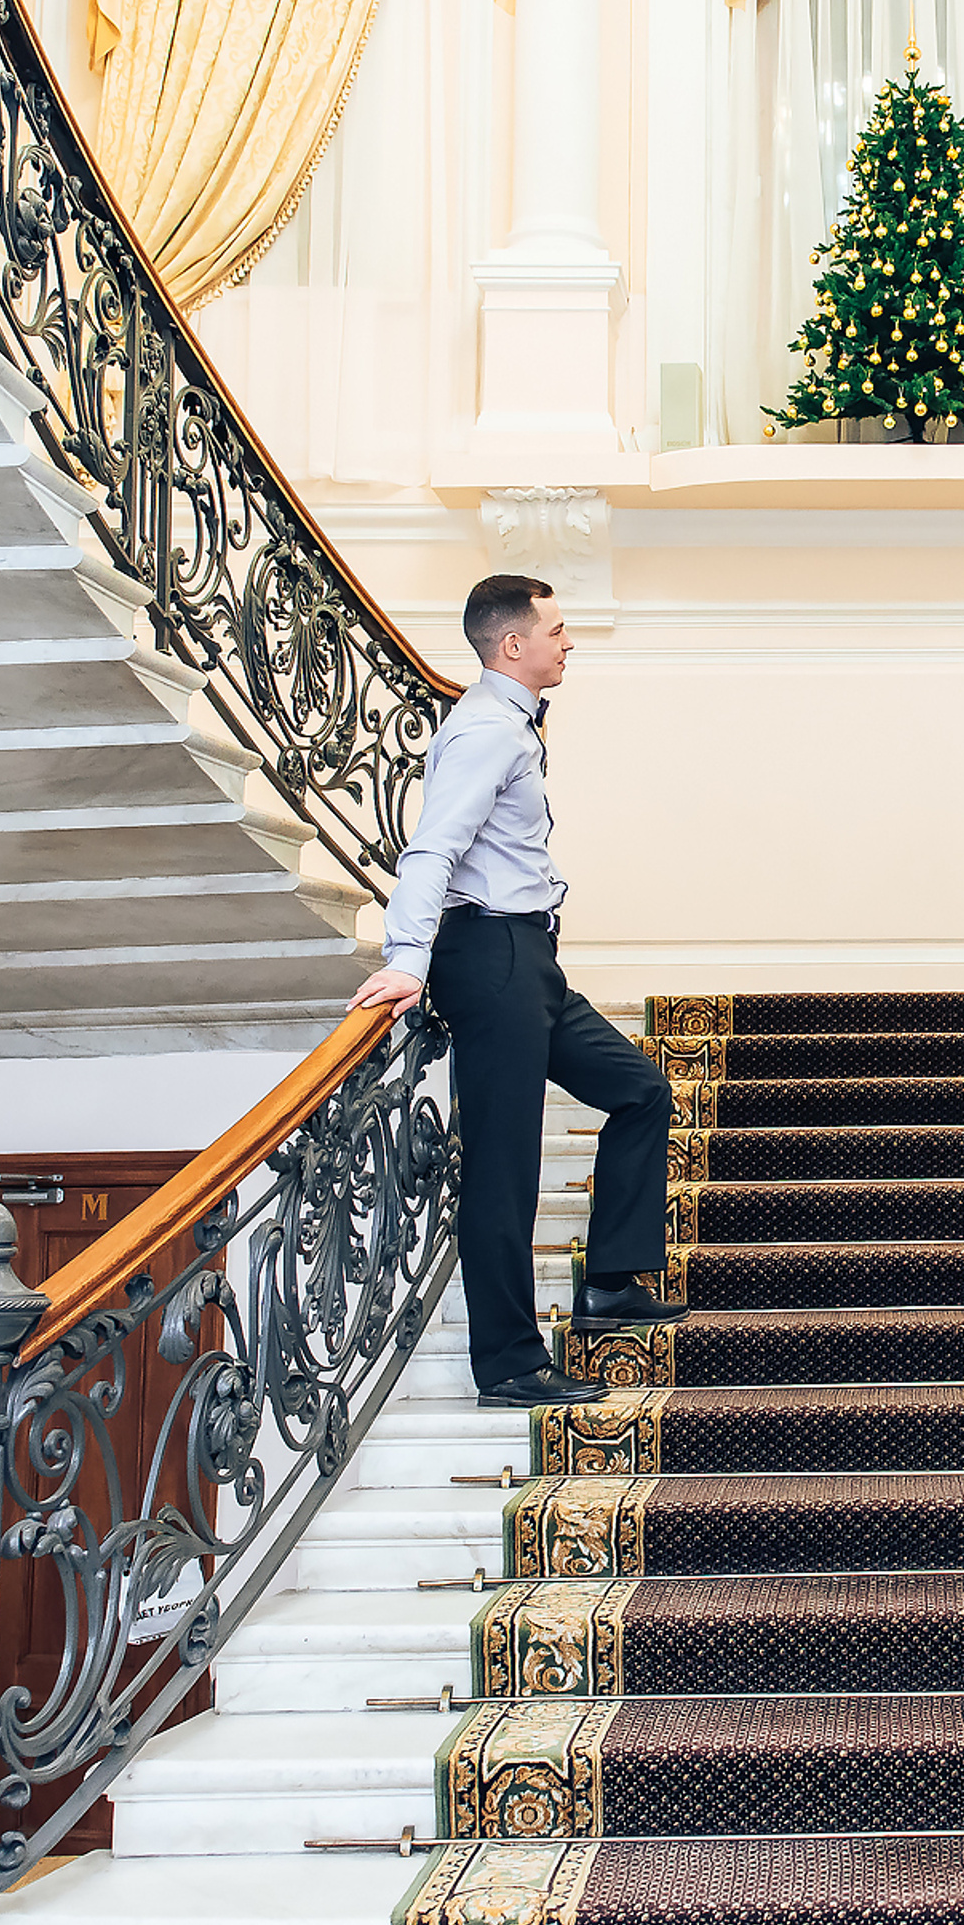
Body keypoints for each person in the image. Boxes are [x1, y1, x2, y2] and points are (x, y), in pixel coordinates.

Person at [349, 573, 685, 1410]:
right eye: (558, 630)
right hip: (490, 955)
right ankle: (507, 1363)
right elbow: (433, 850)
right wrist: (406, 960)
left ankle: (611, 1281)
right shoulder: (485, 734)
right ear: (513, 646)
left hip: (527, 956)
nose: (568, 641)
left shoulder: (509, 726)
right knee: (504, 1167)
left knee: (640, 1090)